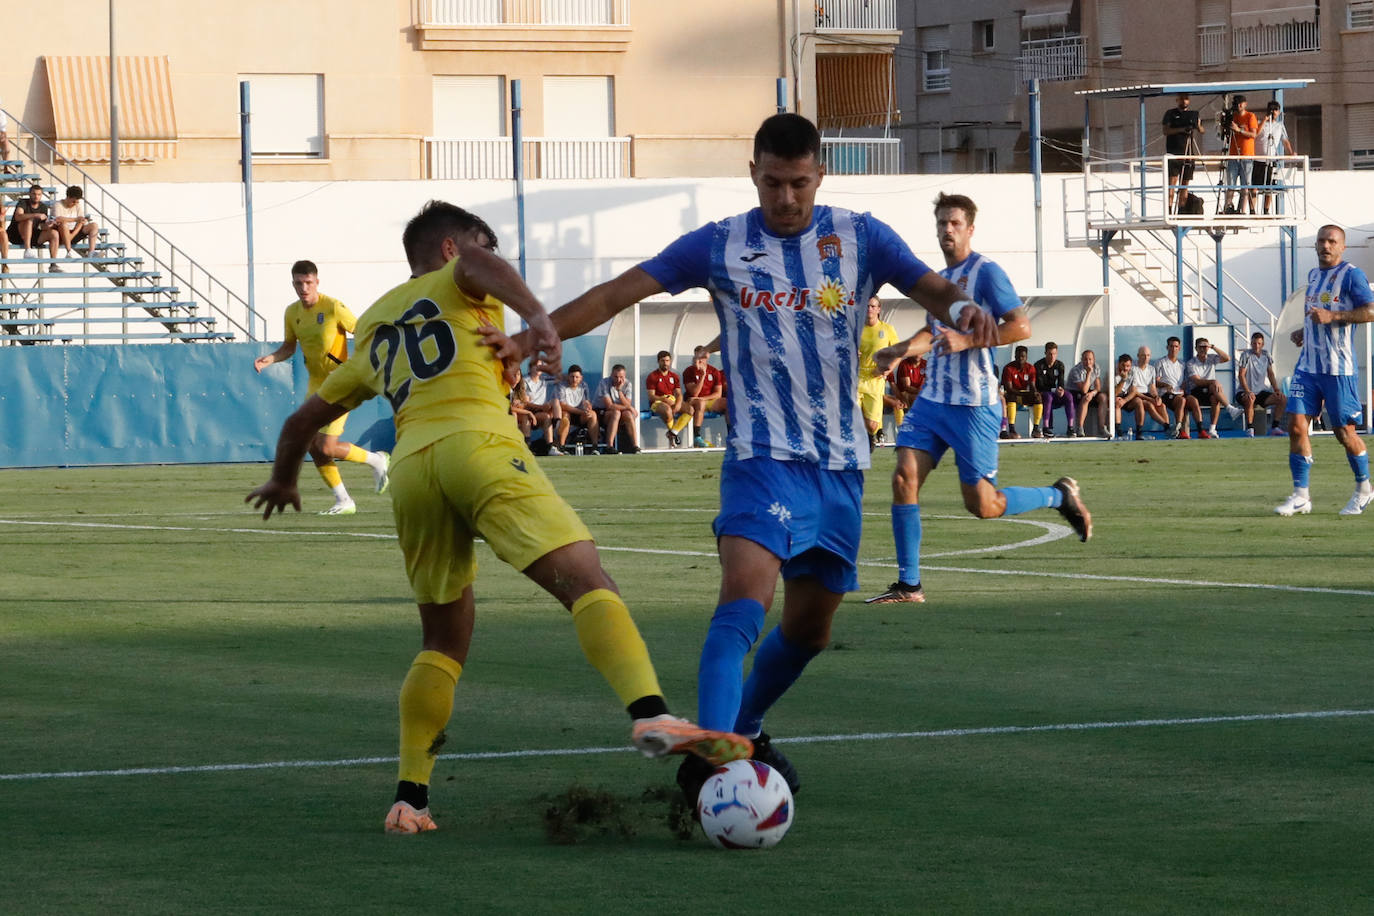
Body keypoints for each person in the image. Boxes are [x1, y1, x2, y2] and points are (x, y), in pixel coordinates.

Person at [529, 113, 1001, 810]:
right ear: (753, 173)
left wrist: (963, 309)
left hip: (840, 466)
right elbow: (614, 294)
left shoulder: (860, 234)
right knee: (743, 604)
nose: (786, 198)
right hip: (761, 459)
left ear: (820, 175)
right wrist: (529, 336)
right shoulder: (719, 244)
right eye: (774, 183)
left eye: (799, 183)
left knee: (810, 631)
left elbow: (928, 284)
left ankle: (744, 730)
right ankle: (711, 763)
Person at [246, 201, 752, 835]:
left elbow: (300, 422)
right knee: (587, 581)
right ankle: (651, 712)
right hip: (479, 448)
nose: (493, 265)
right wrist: (540, 318)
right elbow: (482, 263)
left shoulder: (374, 324)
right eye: (483, 249)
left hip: (411, 473)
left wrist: (283, 478)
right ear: (453, 250)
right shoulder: (459, 275)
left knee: (442, 642)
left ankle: (411, 800)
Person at [867, 191, 1092, 608]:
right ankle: (909, 585)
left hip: (974, 404)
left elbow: (1021, 327)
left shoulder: (986, 273)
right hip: (933, 400)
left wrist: (968, 339)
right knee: (903, 477)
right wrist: (898, 351)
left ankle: (1057, 495)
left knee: (984, 505)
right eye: (941, 224)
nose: (946, 230)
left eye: (954, 223)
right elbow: (932, 334)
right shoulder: (935, 279)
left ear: (970, 229)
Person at [253, 260, 390, 514]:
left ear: (317, 282)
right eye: (298, 283)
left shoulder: (333, 307)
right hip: (316, 385)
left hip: (341, 382)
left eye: (308, 282)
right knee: (312, 445)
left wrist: (367, 361)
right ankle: (344, 500)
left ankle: (376, 460)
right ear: (292, 283)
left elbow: (363, 331)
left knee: (326, 446)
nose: (303, 288)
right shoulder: (292, 312)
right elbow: (289, 347)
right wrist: (270, 358)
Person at [1276, 225, 1374, 516]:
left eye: (1332, 241)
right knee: (1295, 426)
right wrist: (1305, 333)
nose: (1325, 246)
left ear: (1342, 247)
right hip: (1307, 367)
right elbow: (1318, 313)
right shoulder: (1314, 276)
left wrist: (1334, 316)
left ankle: (1364, 488)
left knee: (1343, 432)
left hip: (1338, 369)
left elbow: (1370, 310)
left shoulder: (1352, 275)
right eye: (1321, 241)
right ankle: (1301, 495)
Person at [857, 295, 901, 449]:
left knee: (872, 424)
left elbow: (898, 353)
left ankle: (870, 434)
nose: (869, 309)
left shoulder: (887, 329)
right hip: (855, 377)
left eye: (873, 306)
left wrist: (887, 370)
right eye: (867, 306)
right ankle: (861, 443)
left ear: (878, 309)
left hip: (874, 380)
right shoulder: (856, 328)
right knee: (852, 416)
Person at [1185, 337, 1242, 439]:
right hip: (1197, 390)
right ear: (1196, 348)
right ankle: (1229, 408)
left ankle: (1212, 429)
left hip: (1211, 391)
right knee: (1213, 385)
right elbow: (1197, 381)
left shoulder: (1211, 358)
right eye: (1200, 347)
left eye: (1205, 347)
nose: (1203, 349)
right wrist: (1213, 381)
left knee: (1215, 398)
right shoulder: (1191, 363)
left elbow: (1227, 358)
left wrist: (1213, 347)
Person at [1236, 331, 1288, 437]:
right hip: (1244, 391)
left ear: (1262, 344)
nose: (1256, 346)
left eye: (1259, 343)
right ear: (1251, 343)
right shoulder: (1246, 355)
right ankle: (1250, 428)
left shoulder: (1266, 355)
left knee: (1282, 398)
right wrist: (1247, 391)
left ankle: (1275, 427)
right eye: (1254, 343)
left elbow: (1270, 374)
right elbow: (1241, 375)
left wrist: (1276, 389)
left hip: (1260, 392)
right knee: (1250, 398)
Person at [1162, 92, 1204, 214]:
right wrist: (1182, 129)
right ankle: (1169, 210)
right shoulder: (1170, 114)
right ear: (1177, 100)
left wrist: (1198, 125)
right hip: (1174, 153)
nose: (1184, 101)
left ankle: (1181, 209)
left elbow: (1202, 130)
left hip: (1188, 153)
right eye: (1181, 99)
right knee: (1172, 183)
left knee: (1185, 184)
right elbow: (1166, 131)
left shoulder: (1192, 115)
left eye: (1186, 99)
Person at [1152, 335, 1199, 438]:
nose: (1173, 349)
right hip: (1166, 394)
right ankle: (1178, 428)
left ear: (1179, 348)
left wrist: (1184, 385)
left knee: (1193, 401)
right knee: (1181, 401)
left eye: (1176, 346)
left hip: (1179, 393)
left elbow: (1185, 381)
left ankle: (1201, 430)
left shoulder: (1182, 364)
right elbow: (1155, 382)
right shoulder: (1160, 362)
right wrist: (1165, 385)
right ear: (1167, 347)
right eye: (1171, 346)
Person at [681, 344, 728, 447]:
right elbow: (694, 394)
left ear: (707, 357)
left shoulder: (714, 371)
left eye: (702, 357)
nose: (700, 360)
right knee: (700, 403)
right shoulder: (688, 371)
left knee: (728, 403)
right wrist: (702, 376)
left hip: (706, 400)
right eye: (697, 357)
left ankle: (731, 436)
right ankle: (697, 437)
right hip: (693, 402)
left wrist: (703, 398)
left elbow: (718, 394)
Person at [1255, 101, 1294, 216]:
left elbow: (1285, 140)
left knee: (1269, 186)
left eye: (1275, 110)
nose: (1273, 112)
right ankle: (1253, 211)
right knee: (1255, 186)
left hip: (1271, 159)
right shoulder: (1260, 123)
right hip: (1258, 159)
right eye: (1271, 109)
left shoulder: (1280, 125)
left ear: (1279, 112)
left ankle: (1266, 210)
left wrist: (1291, 152)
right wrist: (1264, 120)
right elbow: (1255, 134)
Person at [646, 350, 692, 447]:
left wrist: (678, 404)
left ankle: (673, 433)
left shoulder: (674, 376)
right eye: (663, 361)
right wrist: (663, 399)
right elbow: (651, 396)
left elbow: (678, 394)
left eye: (667, 361)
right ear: (658, 362)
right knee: (667, 410)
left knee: (690, 409)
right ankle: (673, 437)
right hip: (657, 403)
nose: (665, 363)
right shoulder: (652, 376)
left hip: (671, 400)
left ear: (670, 361)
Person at [1223, 96, 1259, 216]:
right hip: (1233, 155)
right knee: (1231, 183)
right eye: (1236, 104)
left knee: (1245, 185)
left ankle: (1243, 209)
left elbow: (1254, 134)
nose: (1238, 106)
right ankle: (1228, 206)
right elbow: (1226, 134)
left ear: (1245, 104)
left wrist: (1239, 130)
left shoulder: (1250, 116)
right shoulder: (1233, 116)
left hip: (1246, 155)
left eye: (1240, 103)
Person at [7, 184, 59, 266]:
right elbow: (18, 217)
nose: (36, 196)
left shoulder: (43, 207)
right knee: (29, 220)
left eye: (39, 194)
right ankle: (27, 250)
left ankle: (53, 264)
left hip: (33, 234)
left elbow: (41, 226)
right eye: (34, 194)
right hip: (16, 235)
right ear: (30, 194)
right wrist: (35, 215)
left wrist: (49, 225)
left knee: (54, 233)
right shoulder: (23, 202)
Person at [595, 362, 641, 453]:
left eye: (621, 377)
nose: (618, 379)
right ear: (611, 375)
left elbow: (627, 403)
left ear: (625, 376)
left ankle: (635, 446)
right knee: (616, 413)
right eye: (616, 377)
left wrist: (619, 391)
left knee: (628, 414)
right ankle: (610, 446)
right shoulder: (604, 383)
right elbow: (609, 405)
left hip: (620, 411)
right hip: (602, 411)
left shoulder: (627, 384)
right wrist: (630, 408)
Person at [999, 344, 1042, 439]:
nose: (1020, 358)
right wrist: (1025, 393)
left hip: (1023, 395)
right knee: (1011, 397)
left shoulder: (1030, 368)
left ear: (1026, 357)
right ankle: (1012, 429)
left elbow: (1032, 386)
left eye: (1023, 356)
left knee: (1038, 398)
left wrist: (1035, 393)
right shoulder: (1009, 368)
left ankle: (1036, 429)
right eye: (1018, 356)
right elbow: (1009, 389)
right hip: (1012, 395)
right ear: (1015, 356)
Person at [554, 364, 599, 453]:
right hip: (569, 413)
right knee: (565, 416)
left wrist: (587, 407)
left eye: (577, 377)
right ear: (568, 377)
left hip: (580, 415)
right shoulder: (562, 386)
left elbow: (586, 401)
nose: (574, 379)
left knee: (593, 414)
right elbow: (563, 405)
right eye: (572, 377)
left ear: (581, 378)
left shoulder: (584, 386)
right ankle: (562, 446)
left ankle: (595, 446)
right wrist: (581, 412)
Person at [1034, 341, 1073, 438]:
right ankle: (1046, 427)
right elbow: (1040, 385)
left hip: (1054, 393)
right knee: (1048, 396)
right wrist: (1053, 390)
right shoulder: (1039, 365)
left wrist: (1061, 389)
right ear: (1045, 353)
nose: (1052, 357)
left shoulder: (1060, 365)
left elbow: (1061, 382)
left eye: (1054, 354)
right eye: (1050, 354)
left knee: (1068, 396)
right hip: (1043, 393)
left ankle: (1071, 427)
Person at [523, 364, 564, 454]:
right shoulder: (525, 381)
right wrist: (541, 407)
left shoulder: (544, 380)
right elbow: (526, 404)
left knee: (555, 400)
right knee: (546, 416)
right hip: (530, 411)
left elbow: (559, 378)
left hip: (542, 410)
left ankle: (556, 424)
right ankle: (534, 446)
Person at [50, 186, 99, 260]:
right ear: (68, 197)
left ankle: (91, 251)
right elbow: (58, 219)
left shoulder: (77, 205)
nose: (75, 204)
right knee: (64, 224)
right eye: (73, 201)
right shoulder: (58, 205)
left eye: (77, 202)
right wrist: (75, 219)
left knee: (94, 225)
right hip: (61, 234)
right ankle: (68, 251)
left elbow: (81, 221)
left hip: (74, 232)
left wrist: (72, 235)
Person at [1067, 349, 1108, 437]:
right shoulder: (1076, 370)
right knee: (1086, 398)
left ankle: (1102, 427)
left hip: (1089, 390)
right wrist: (1089, 373)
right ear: (1082, 360)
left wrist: (1093, 393)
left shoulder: (1096, 367)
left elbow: (1098, 386)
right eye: (1085, 359)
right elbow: (1084, 390)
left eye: (1090, 359)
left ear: (1094, 360)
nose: (1088, 362)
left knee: (1103, 397)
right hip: (1075, 393)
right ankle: (1080, 428)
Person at [1132, 345, 1171, 433]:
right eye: (1143, 355)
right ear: (1138, 356)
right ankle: (1167, 426)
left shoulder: (1151, 369)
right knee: (1149, 405)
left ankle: (1168, 431)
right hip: (1136, 395)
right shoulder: (1133, 368)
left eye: (1148, 355)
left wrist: (1157, 397)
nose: (1146, 358)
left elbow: (1152, 387)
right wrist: (1150, 399)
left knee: (1162, 405)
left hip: (1146, 394)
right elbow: (1134, 391)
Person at [1112, 353, 1144, 438]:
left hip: (1127, 397)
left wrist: (1125, 400)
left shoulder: (1133, 371)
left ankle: (1139, 431)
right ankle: (1118, 430)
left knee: (1139, 402)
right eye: (1123, 365)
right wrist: (1123, 380)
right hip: (1115, 396)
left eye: (1128, 366)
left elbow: (1133, 391)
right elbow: (1115, 393)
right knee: (1117, 402)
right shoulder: (1113, 372)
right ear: (1119, 364)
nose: (1126, 368)